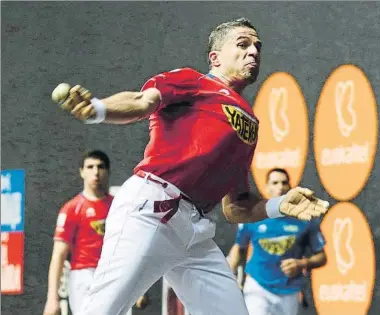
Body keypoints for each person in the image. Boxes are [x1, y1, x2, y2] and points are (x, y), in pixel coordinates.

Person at [54, 18, 329, 315]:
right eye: (243, 44)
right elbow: (141, 101)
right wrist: (97, 109)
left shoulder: (249, 120)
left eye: (257, 47)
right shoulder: (194, 81)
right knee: (102, 310)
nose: (254, 52)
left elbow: (235, 206)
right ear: (215, 57)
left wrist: (279, 205)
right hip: (151, 210)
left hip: (194, 231)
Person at [42, 150, 147, 315]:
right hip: (84, 277)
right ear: (81, 172)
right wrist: (52, 298)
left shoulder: (119, 206)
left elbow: (131, 247)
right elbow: (58, 256)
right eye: (90, 167)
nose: (96, 172)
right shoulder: (71, 209)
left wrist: (139, 287)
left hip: (115, 274)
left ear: (108, 171)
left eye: (100, 167)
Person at [227, 168, 327, 315]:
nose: (280, 187)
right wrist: (227, 276)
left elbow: (322, 257)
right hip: (258, 286)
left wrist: (302, 264)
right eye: (275, 183)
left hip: (289, 290)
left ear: (290, 187)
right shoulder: (253, 216)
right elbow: (239, 248)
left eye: (284, 183)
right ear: (267, 187)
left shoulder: (305, 218)